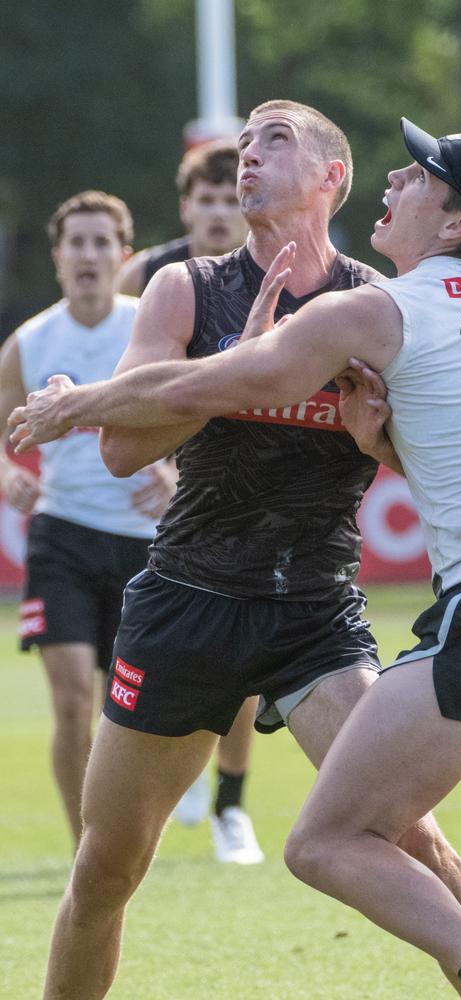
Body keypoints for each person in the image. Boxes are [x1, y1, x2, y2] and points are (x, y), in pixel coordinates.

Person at [14, 116, 461, 998]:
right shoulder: (187, 287)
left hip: (316, 611)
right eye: (242, 142)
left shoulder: (373, 300)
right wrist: (228, 368)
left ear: (330, 176)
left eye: (272, 139)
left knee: (414, 841)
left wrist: (355, 429)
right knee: (106, 869)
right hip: (190, 595)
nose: (247, 154)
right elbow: (124, 452)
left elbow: (410, 444)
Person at [0, 190, 176, 850]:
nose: (89, 254)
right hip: (62, 535)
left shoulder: (150, 331)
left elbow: (196, 414)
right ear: (57, 257)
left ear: (123, 255)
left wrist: (173, 475)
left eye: (103, 242)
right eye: (77, 241)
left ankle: (121, 836)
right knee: (72, 699)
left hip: (144, 545)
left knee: (126, 710)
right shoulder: (30, 342)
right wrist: (10, 473)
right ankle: (86, 854)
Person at [120, 138, 263, 862]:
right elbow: (115, 382)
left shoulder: (278, 275)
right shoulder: (148, 276)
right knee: (159, 649)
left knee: (241, 654)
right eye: (202, 199)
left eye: (226, 197)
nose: (215, 212)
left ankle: (232, 805)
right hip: (146, 485)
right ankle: (181, 781)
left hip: (231, 493)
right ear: (184, 207)